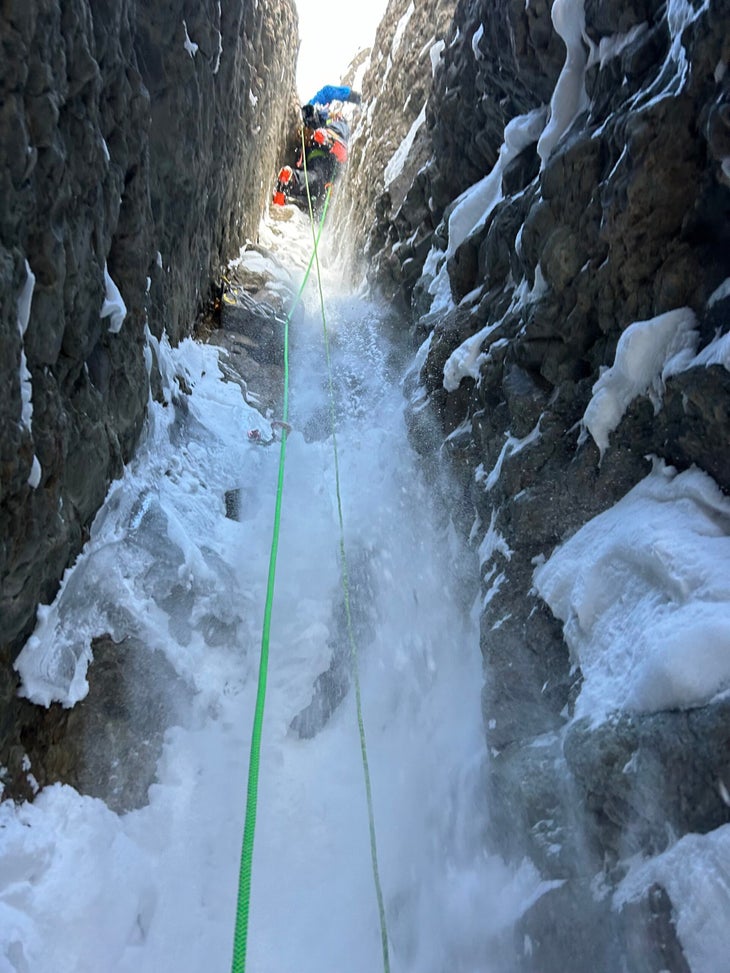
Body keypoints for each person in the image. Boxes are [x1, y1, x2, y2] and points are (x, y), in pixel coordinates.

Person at [272, 87, 358, 209]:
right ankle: (288, 186)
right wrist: (354, 97)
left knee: (309, 179)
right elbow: (326, 93)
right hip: (316, 164)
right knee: (310, 179)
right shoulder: (323, 117)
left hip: (322, 165)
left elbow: (342, 153)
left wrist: (327, 139)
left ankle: (288, 187)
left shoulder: (338, 124)